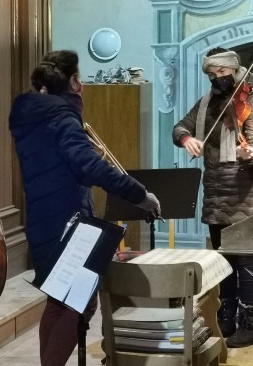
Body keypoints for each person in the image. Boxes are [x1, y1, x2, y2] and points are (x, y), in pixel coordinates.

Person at [9, 50, 161, 366]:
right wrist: (139, 194)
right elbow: (89, 166)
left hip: (41, 220)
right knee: (79, 303)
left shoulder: (32, 116)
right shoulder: (62, 117)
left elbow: (61, 163)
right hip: (68, 222)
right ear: (75, 82)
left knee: (58, 301)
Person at [172, 47, 253, 348]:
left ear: (234, 69)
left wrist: (249, 153)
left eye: (223, 72)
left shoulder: (252, 99)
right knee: (222, 256)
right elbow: (180, 127)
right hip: (216, 190)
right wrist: (187, 139)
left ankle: (249, 325)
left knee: (245, 258)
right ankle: (225, 317)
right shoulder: (207, 102)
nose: (218, 78)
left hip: (245, 191)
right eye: (212, 74)